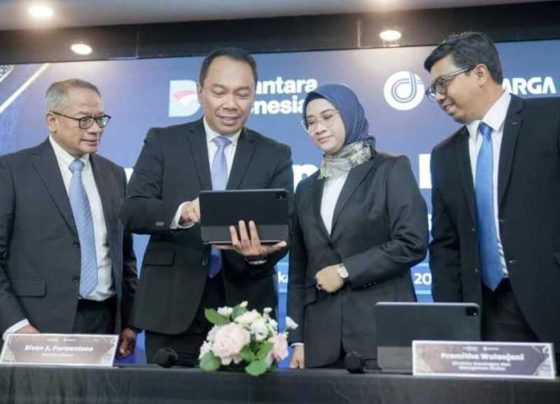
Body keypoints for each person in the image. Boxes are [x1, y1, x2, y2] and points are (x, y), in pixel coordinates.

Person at [120, 47, 294, 365]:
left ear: (254, 96)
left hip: (246, 313)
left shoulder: (275, 154)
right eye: (219, 92)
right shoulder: (163, 142)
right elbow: (132, 210)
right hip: (171, 307)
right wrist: (184, 212)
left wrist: (258, 256)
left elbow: (285, 227)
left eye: (242, 94)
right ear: (200, 91)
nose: (231, 104)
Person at [426, 32, 560, 351]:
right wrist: (450, 318)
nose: (439, 96)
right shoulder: (444, 154)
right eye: (434, 90)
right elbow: (445, 244)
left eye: (443, 83)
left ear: (480, 73)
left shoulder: (551, 119)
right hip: (487, 314)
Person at [287, 84, 428, 369]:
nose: (319, 128)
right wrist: (297, 339)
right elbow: (299, 269)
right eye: (310, 122)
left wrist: (345, 271)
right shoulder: (305, 188)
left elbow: (412, 242)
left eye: (328, 116)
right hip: (320, 342)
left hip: (380, 333)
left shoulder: (390, 169)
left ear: (350, 114)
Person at [0, 79, 138, 357]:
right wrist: (15, 325)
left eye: (100, 119)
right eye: (84, 120)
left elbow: (125, 257)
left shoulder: (114, 175)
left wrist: (130, 321)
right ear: (52, 120)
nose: (96, 128)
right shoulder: (11, 171)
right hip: (35, 324)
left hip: (104, 325)